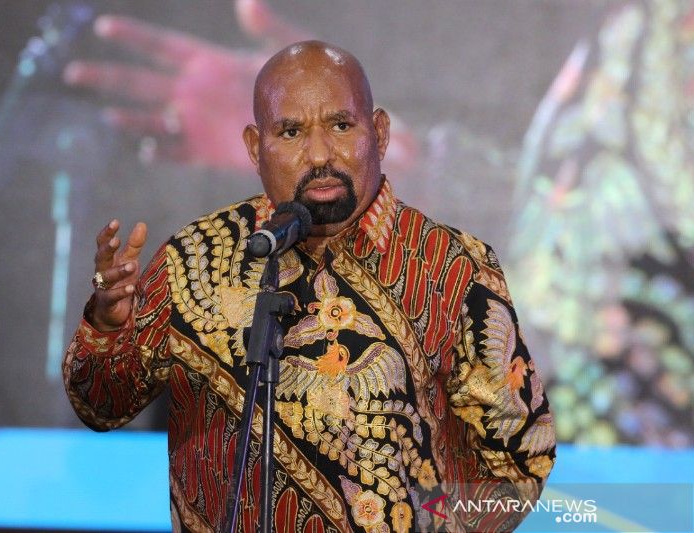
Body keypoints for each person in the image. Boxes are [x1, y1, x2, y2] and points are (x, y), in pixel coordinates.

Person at [63, 41, 555, 533]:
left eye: (341, 126)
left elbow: (521, 460)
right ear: (255, 147)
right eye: (291, 131)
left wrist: (427, 521)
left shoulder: (453, 266)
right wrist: (109, 327)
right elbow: (101, 407)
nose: (320, 154)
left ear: (379, 133)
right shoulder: (195, 258)